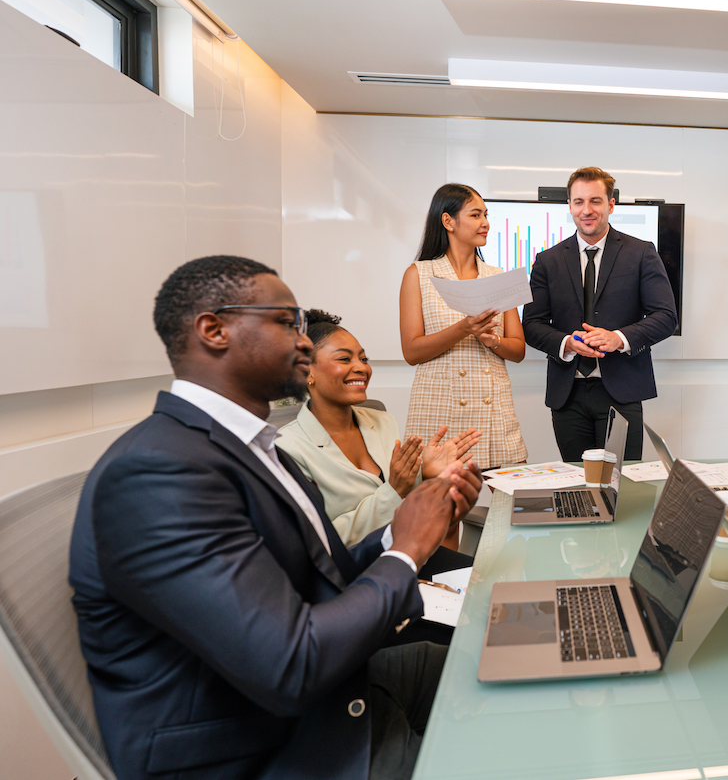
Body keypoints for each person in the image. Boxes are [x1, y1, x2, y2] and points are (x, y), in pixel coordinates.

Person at [69, 255, 484, 780]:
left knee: (498, 664)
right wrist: (406, 553)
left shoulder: (252, 447)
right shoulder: (156, 472)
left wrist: (399, 536)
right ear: (213, 330)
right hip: (264, 746)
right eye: (287, 324)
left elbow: (320, 576)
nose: (305, 342)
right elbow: (290, 664)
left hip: (314, 700)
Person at [276, 309, 480, 555]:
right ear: (307, 371)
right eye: (344, 359)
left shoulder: (383, 421)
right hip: (355, 575)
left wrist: (425, 474)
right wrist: (393, 492)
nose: (361, 368)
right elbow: (320, 539)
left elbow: (403, 494)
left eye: (363, 359)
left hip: (410, 554)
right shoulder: (288, 448)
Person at [523, 167, 678, 462]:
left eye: (595, 201)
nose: (587, 210)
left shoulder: (641, 253)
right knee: (578, 486)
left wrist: (619, 338)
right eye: (579, 202)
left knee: (622, 487)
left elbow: (666, 316)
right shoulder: (547, 261)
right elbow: (531, 324)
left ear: (610, 205)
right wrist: (566, 343)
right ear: (569, 205)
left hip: (622, 391)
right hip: (567, 395)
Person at [400, 183, 527, 470]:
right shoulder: (419, 274)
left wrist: (492, 340)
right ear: (448, 221)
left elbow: (518, 350)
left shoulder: (498, 277)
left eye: (486, 215)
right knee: (442, 510)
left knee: (513, 503)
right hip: (439, 406)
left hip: (493, 405)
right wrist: (464, 329)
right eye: (475, 215)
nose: (485, 223)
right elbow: (411, 351)